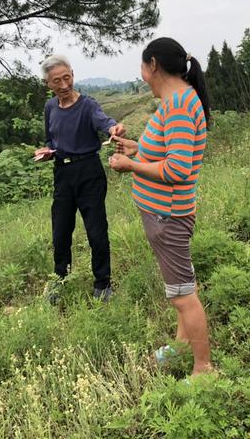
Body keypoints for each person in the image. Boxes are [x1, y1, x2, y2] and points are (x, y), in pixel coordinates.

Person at [108, 37, 212, 375]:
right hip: (163, 215)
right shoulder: (174, 102)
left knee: (182, 295)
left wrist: (131, 166)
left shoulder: (180, 105)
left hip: (168, 216)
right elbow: (167, 151)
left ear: (153, 65)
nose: (141, 76)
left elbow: (178, 169)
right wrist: (137, 148)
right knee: (182, 285)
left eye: (142, 67)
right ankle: (181, 348)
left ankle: (203, 369)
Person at [35, 54, 125, 301]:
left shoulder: (88, 105)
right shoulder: (50, 107)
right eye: (56, 81)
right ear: (48, 84)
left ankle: (103, 284)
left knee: (96, 230)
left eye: (67, 78)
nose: (64, 85)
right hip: (62, 173)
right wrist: (47, 152)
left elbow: (104, 122)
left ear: (73, 74)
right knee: (60, 230)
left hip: (89, 172)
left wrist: (113, 129)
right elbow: (50, 139)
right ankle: (59, 280)